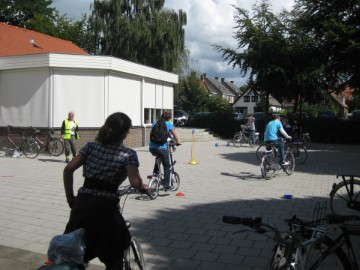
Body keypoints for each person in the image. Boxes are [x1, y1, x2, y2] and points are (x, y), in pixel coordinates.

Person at [63, 112, 149, 270]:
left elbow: (68, 170)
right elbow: (135, 182)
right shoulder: (128, 154)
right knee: (114, 255)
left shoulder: (90, 147)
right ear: (125, 133)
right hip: (105, 210)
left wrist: (71, 199)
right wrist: (144, 187)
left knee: (74, 252)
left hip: (81, 205)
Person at [149, 110, 180, 192]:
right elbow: (175, 136)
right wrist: (177, 142)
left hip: (152, 148)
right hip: (161, 148)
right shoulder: (169, 124)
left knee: (158, 158)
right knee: (167, 166)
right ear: (169, 117)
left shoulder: (155, 123)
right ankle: (166, 186)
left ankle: (155, 173)